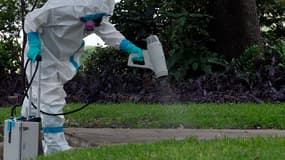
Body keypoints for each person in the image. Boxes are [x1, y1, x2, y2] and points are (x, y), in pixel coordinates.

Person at [21, 0, 144, 155]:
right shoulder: (59, 7)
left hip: (61, 57)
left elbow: (108, 32)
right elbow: (32, 19)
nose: (95, 23)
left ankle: (23, 134)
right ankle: (55, 146)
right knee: (51, 97)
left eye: (100, 17)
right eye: (94, 17)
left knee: (36, 96)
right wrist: (33, 43)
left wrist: (132, 49)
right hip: (41, 55)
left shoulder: (94, 12)